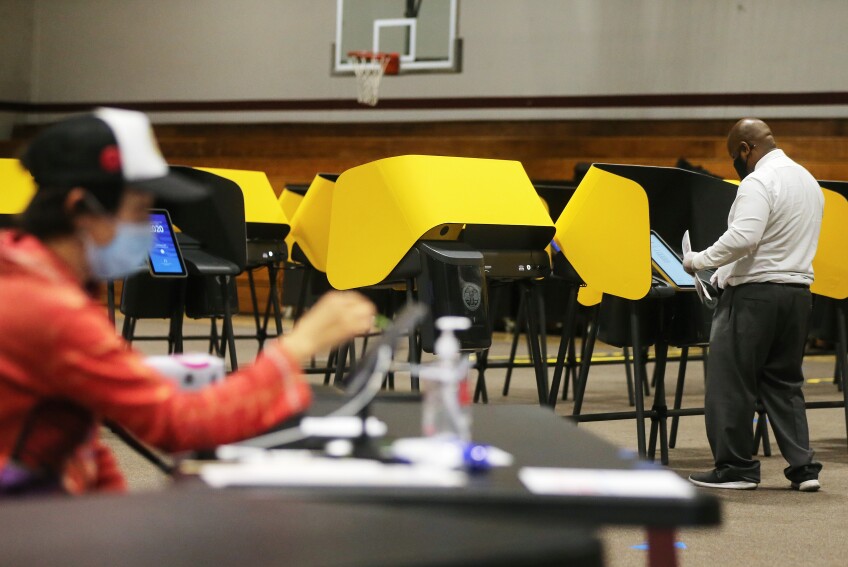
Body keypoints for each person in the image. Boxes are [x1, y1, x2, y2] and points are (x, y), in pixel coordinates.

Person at [0, 108, 375, 495]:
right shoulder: (51, 310)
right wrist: (298, 347)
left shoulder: (26, 273)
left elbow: (79, 442)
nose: (149, 227)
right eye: (137, 211)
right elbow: (179, 424)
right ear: (79, 209)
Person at [683, 118, 823, 491]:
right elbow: (772, 241)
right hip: (797, 295)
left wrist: (700, 261)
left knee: (731, 383)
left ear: (746, 149)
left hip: (754, 298)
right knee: (785, 383)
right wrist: (726, 270)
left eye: (735, 155)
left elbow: (745, 237)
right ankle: (804, 469)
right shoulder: (808, 180)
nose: (736, 162)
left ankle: (736, 469)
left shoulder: (759, 181)